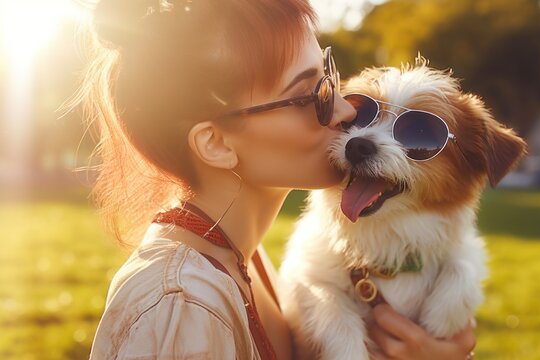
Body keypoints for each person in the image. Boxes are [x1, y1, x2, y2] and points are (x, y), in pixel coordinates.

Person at [80, 0, 477, 359]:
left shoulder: (243, 256)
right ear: (216, 143)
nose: (345, 111)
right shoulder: (181, 307)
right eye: (308, 95)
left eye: (329, 78)